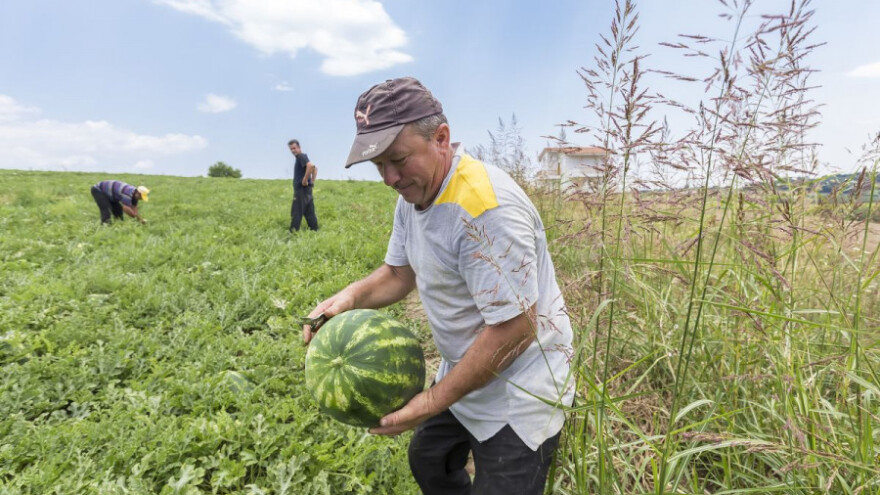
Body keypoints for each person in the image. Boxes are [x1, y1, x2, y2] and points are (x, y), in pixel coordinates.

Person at [302, 77, 574, 494]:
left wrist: (428, 403)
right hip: (465, 369)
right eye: (379, 166)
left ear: (441, 138)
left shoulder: (485, 211)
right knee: (429, 460)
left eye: (398, 159)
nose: (390, 178)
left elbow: (515, 330)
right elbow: (398, 273)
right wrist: (351, 297)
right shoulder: (415, 193)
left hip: (520, 391)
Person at [288, 139, 319, 232]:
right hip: (307, 191)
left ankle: (292, 234)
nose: (293, 151)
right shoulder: (303, 157)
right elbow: (315, 168)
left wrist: (305, 180)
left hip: (301, 191)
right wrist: (312, 181)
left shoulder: (300, 156)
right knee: (310, 213)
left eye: (294, 148)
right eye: (291, 149)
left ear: (299, 147)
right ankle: (315, 231)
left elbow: (310, 166)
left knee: (296, 212)